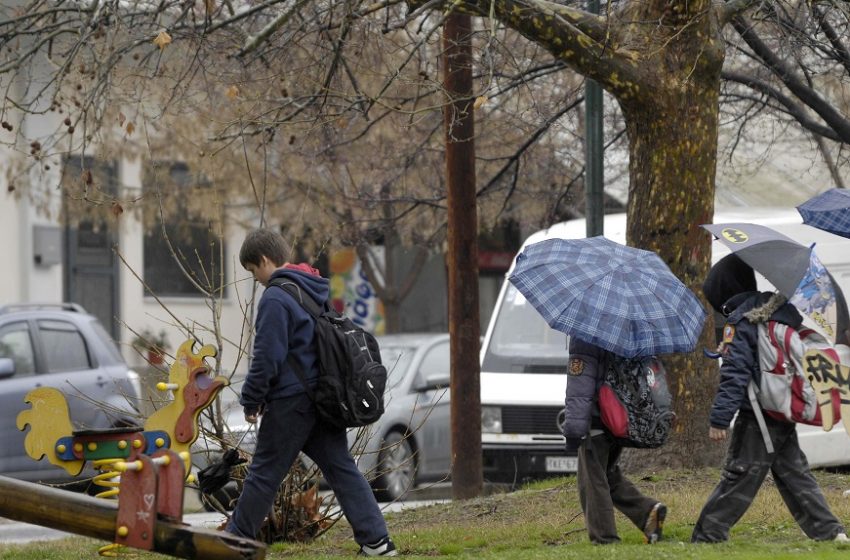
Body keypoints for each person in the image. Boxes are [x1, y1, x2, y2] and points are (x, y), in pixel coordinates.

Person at [225, 228, 398, 557]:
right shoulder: (312, 286)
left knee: (263, 473)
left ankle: (233, 542)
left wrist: (251, 398)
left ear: (263, 260)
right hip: (321, 398)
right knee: (341, 469)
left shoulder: (276, 297)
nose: (256, 279)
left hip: (291, 403)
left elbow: (267, 357)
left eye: (253, 270)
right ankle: (377, 541)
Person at [692, 253, 847, 543]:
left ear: (724, 291)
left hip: (759, 412)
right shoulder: (775, 312)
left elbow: (735, 375)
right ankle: (830, 532)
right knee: (794, 473)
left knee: (740, 474)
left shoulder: (741, 321)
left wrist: (719, 419)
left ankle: (708, 536)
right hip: (780, 407)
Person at [563, 337, 667, 544]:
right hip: (621, 419)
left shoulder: (586, 335)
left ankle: (605, 538)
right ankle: (648, 512)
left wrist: (574, 430)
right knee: (608, 475)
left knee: (592, 481)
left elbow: (579, 387)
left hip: (597, 420)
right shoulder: (627, 331)